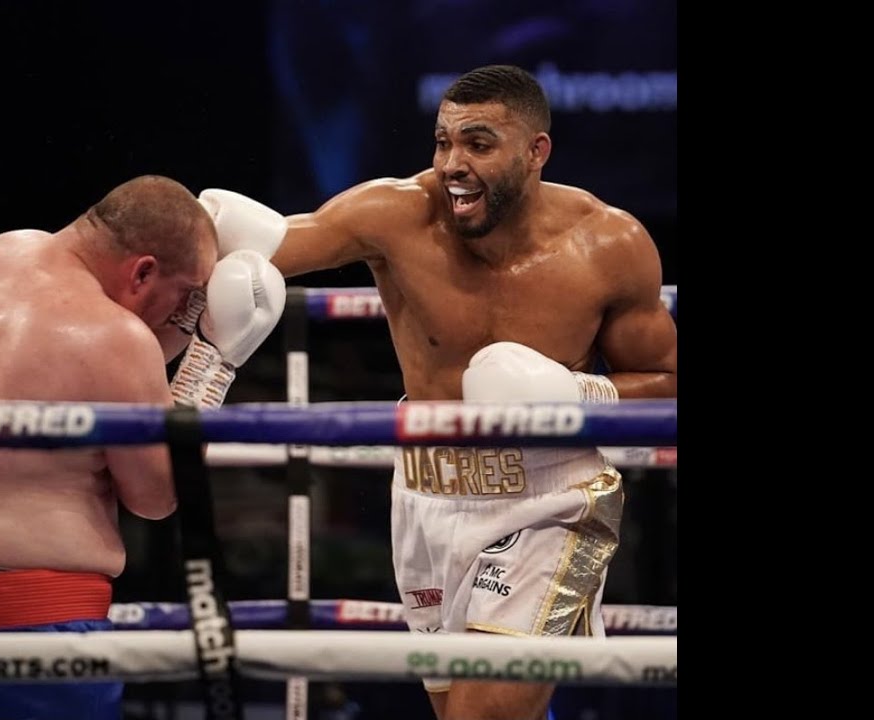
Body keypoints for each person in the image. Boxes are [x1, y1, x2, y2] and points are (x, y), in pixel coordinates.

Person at [269, 65, 677, 720]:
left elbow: (667, 384)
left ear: (536, 151)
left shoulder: (608, 244)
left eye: (479, 144)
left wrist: (579, 398)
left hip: (548, 498)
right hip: (427, 495)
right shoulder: (394, 214)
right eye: (442, 142)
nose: (452, 164)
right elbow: (265, 247)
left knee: (482, 715)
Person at [0, 174, 288, 720]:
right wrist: (213, 360)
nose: (184, 311)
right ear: (143, 270)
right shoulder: (113, 339)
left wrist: (185, 313)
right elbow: (159, 495)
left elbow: (107, 358)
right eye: (188, 296)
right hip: (34, 625)